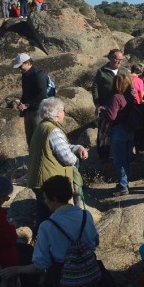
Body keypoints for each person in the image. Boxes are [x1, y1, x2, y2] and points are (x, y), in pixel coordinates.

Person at [0, 175, 112, 287]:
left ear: (54, 199)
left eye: (46, 199)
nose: (45, 202)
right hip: (92, 274)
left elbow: (40, 266)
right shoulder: (85, 215)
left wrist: (16, 270)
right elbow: (94, 242)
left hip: (63, 280)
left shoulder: (47, 226)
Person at [27, 97, 89, 229]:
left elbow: (57, 147)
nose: (64, 113)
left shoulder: (41, 127)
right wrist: (77, 160)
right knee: (56, 221)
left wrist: (77, 148)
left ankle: (41, 245)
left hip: (40, 179)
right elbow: (66, 156)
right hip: (51, 181)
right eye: (62, 110)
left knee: (43, 219)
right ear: (56, 113)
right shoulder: (53, 130)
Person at [91, 49, 130, 162]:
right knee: (104, 133)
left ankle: (119, 154)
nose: (119, 62)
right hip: (106, 106)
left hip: (122, 107)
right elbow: (95, 87)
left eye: (121, 60)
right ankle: (103, 156)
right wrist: (97, 103)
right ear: (111, 58)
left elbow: (130, 87)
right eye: (117, 59)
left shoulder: (124, 71)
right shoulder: (102, 71)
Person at [105, 74, 135, 196]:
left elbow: (112, 116)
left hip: (119, 129)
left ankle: (123, 187)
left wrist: (104, 111)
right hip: (130, 129)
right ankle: (125, 182)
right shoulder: (130, 97)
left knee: (119, 159)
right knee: (127, 158)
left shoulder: (116, 97)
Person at [13, 52, 50, 147]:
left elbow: (42, 95)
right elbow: (26, 93)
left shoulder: (38, 75)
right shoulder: (25, 76)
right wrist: (22, 104)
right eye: (18, 68)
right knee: (30, 140)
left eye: (20, 67)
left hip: (38, 111)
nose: (19, 70)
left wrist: (27, 105)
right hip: (28, 112)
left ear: (28, 63)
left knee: (39, 140)